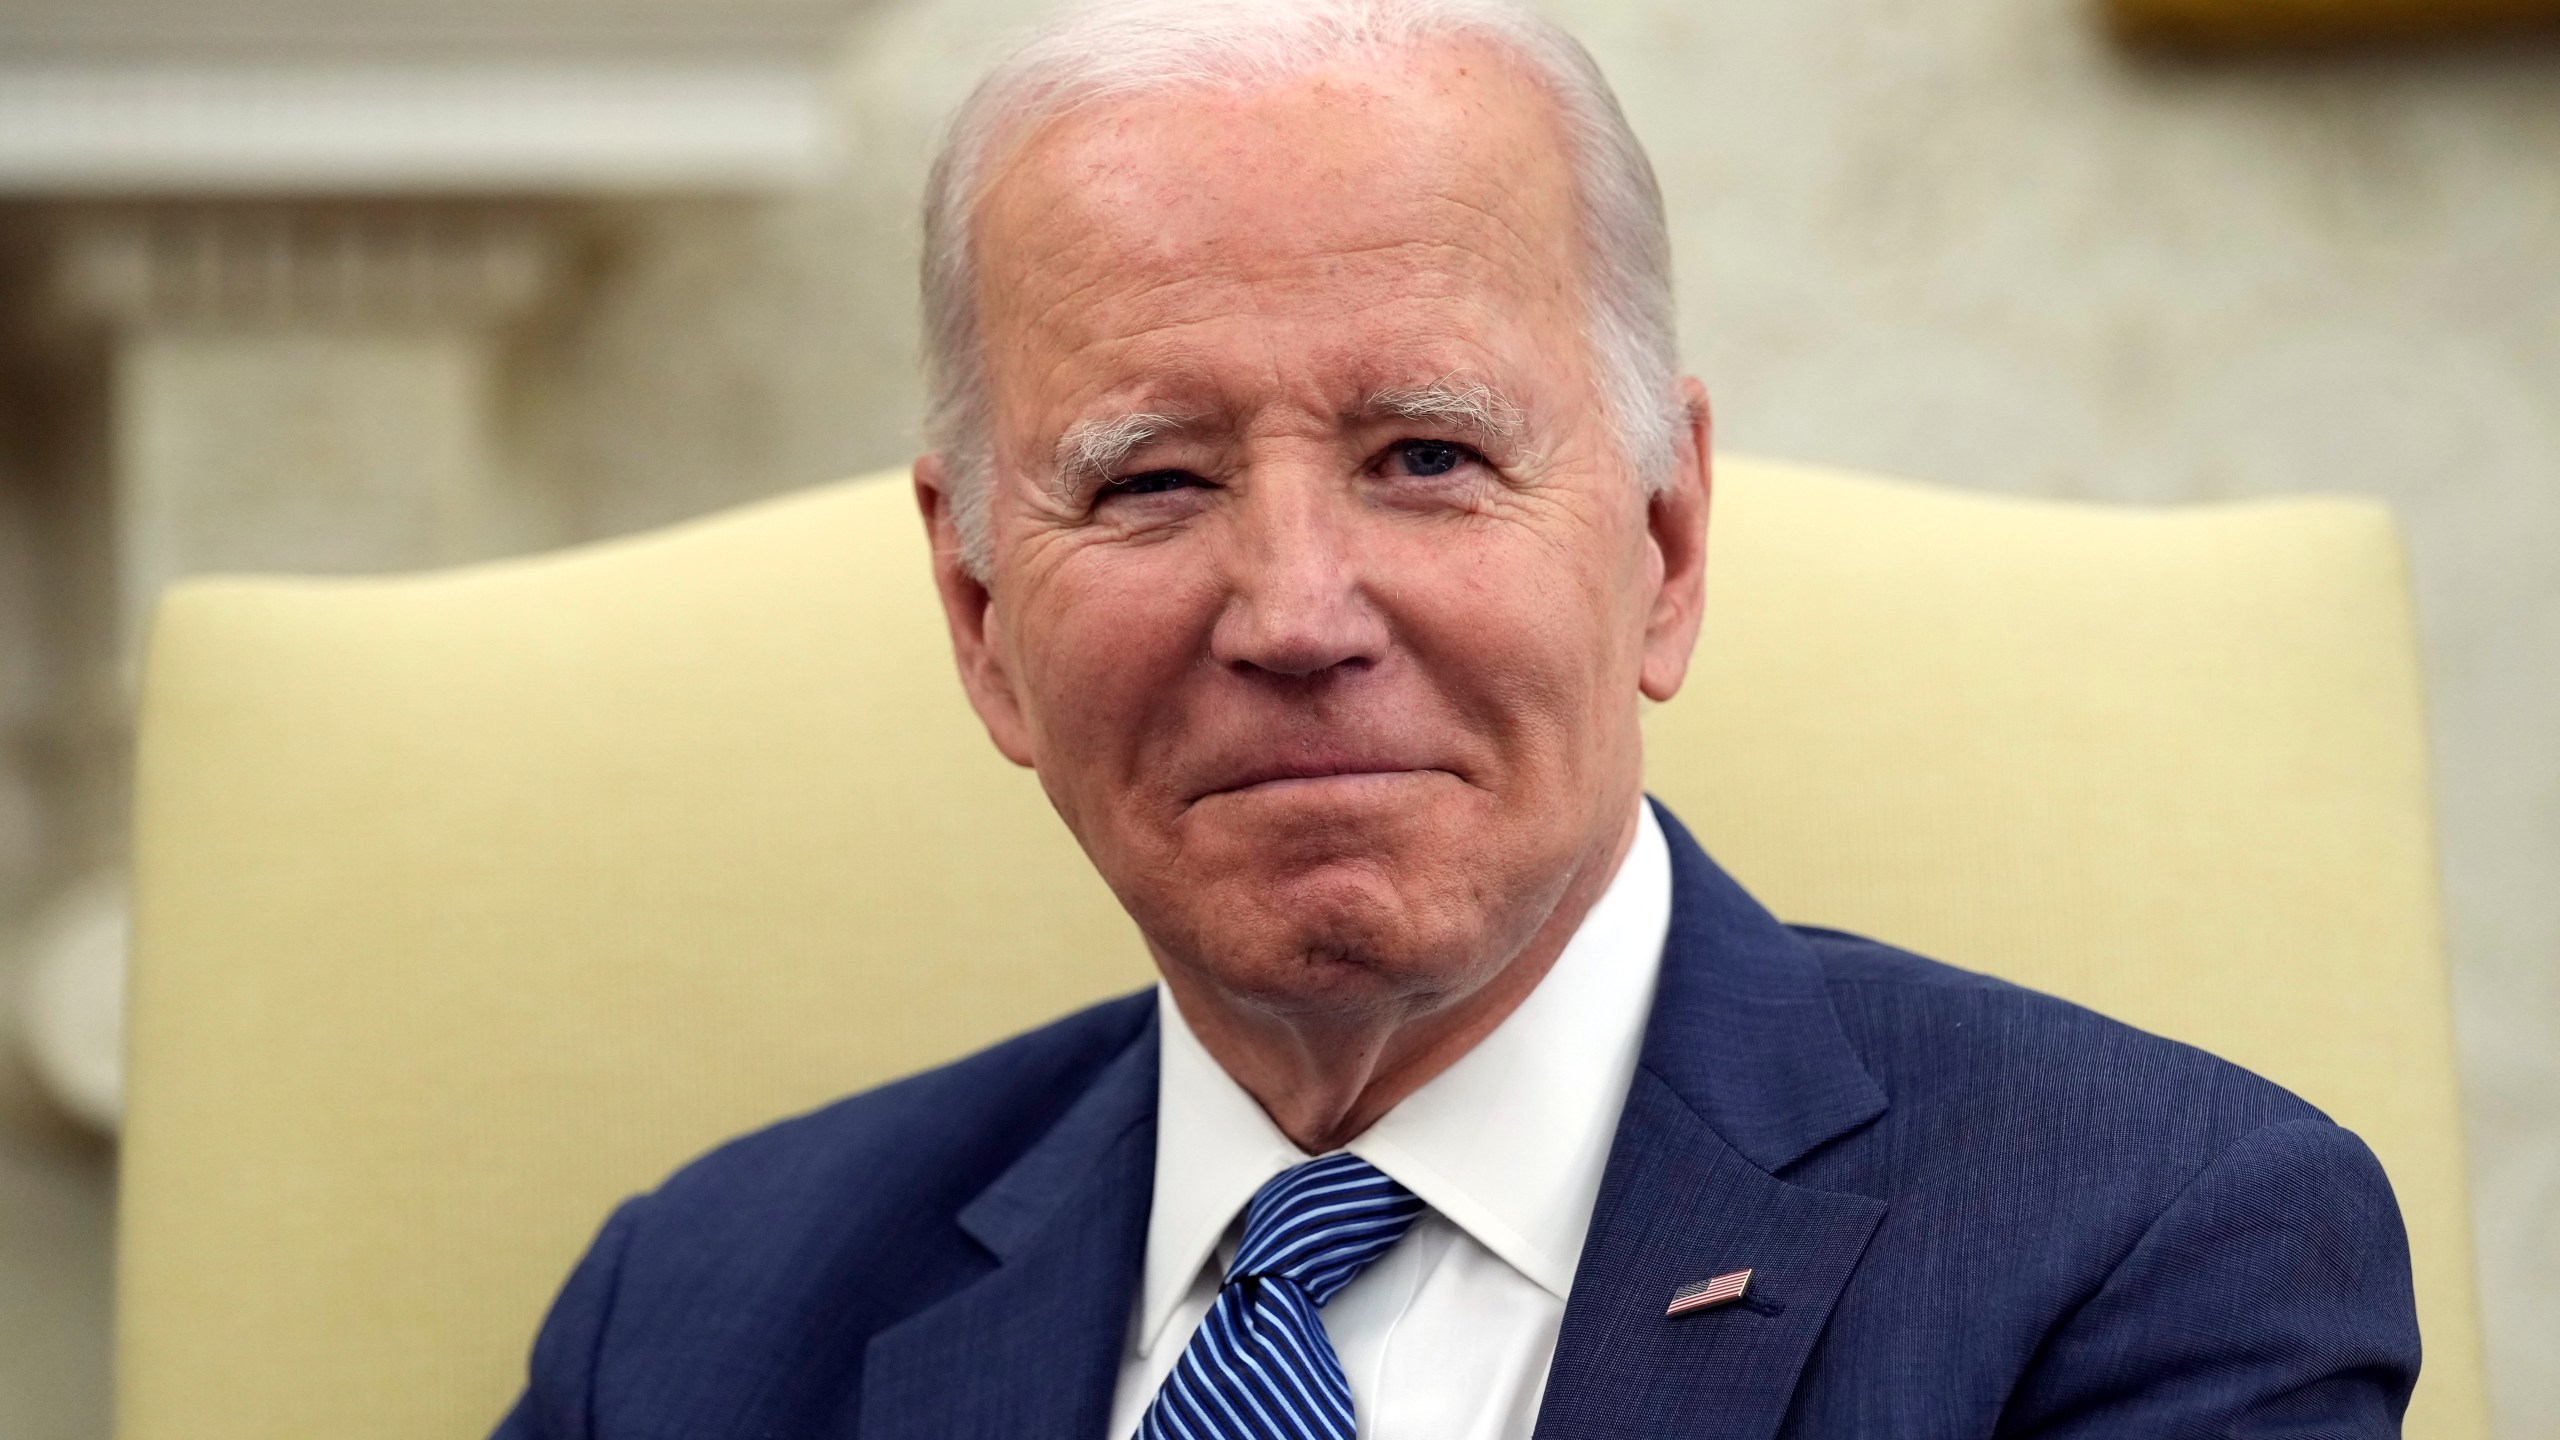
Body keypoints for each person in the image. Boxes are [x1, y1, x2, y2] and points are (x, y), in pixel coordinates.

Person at [492, 1, 2420, 1435]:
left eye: (1426, 455)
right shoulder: (691, 1331)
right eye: (1153, 481)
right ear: (982, 613)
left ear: (1663, 545)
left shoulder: (2153, 1255)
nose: (1300, 612)